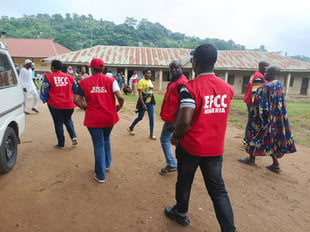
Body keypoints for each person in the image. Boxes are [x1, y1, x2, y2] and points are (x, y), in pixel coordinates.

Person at [164, 44, 236, 231]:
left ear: (195, 64)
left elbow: (185, 120)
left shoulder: (190, 88)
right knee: (218, 190)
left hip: (191, 147)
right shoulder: (227, 89)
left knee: (184, 181)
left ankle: (180, 213)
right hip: (215, 149)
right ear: (214, 62)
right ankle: (229, 229)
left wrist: (176, 136)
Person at [73, 58, 124, 183]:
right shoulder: (111, 81)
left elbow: (76, 100)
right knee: (106, 139)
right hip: (109, 117)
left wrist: (85, 108)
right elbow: (121, 97)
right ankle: (107, 164)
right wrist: (118, 107)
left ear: (92, 69)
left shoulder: (84, 82)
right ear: (103, 68)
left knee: (98, 144)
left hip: (94, 118)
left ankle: (100, 175)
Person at [239, 65, 296, 173]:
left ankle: (251, 158)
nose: (264, 74)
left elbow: (261, 106)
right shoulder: (278, 84)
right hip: (275, 119)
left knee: (251, 135)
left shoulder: (264, 87)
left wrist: (259, 119)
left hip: (262, 119)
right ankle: (275, 164)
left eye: (267, 72)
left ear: (272, 73)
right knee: (271, 140)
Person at [40, 60, 78, 148]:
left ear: (52, 67)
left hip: (55, 104)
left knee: (58, 123)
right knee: (68, 119)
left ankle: (61, 143)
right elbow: (76, 89)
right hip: (69, 104)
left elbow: (44, 89)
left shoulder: (48, 77)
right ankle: (73, 137)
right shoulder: (70, 77)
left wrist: (44, 99)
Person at [159, 60, 188, 174]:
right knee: (175, 140)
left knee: (164, 139)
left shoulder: (182, 83)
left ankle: (171, 164)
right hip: (171, 116)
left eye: (176, 68)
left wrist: (175, 123)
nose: (174, 70)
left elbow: (183, 105)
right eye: (171, 68)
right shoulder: (174, 81)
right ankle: (181, 161)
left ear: (181, 68)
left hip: (174, 118)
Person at [243, 61, 269, 139]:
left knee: (251, 120)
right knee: (252, 121)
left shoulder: (256, 74)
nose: (268, 68)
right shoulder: (259, 77)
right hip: (252, 102)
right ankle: (247, 139)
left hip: (249, 100)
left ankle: (248, 138)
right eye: (266, 66)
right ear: (262, 66)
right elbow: (255, 92)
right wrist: (256, 105)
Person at [127, 67, 156, 140]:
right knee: (140, 117)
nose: (149, 74)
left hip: (150, 102)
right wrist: (143, 105)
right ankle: (131, 127)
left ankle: (151, 134)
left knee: (151, 118)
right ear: (144, 74)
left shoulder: (150, 81)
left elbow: (150, 91)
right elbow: (140, 94)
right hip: (143, 102)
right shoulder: (141, 81)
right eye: (147, 73)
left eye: (150, 73)